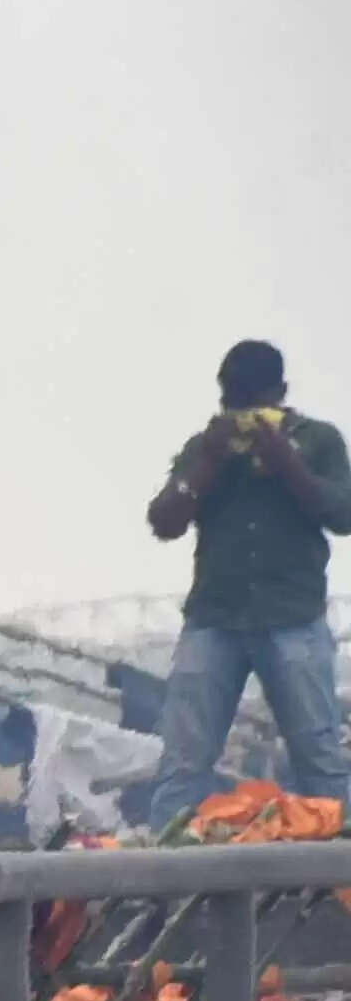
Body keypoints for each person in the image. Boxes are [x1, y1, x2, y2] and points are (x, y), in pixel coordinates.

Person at [136, 338, 349, 831]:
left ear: (281, 393)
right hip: (215, 619)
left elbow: (343, 514)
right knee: (184, 760)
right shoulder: (206, 446)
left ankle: (338, 864)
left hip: (293, 617)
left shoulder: (318, 440)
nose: (243, 410)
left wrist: (287, 464)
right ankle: (167, 867)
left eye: (253, 399)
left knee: (318, 757)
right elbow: (164, 521)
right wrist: (207, 463)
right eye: (233, 399)